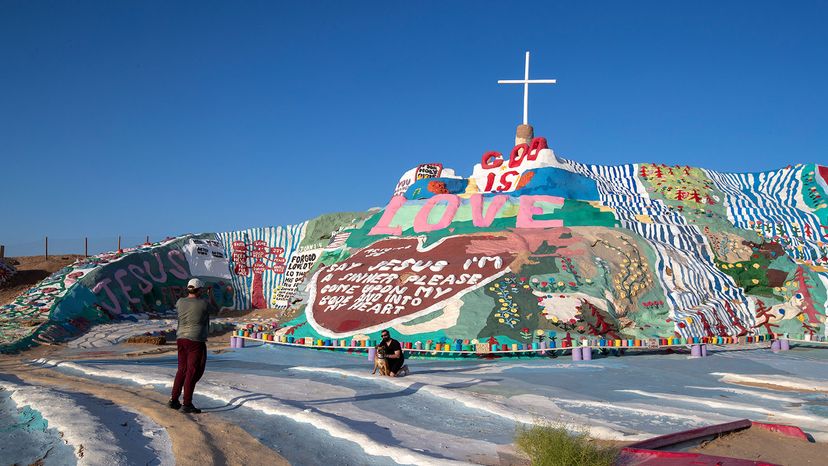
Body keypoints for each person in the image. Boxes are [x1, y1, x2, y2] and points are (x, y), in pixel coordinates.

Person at [168, 278, 214, 413]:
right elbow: (215, 308)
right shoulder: (204, 303)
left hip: (181, 338)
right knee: (192, 371)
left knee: (181, 369)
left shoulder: (180, 302)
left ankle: (174, 400)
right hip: (196, 340)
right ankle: (187, 403)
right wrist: (209, 294)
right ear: (200, 290)